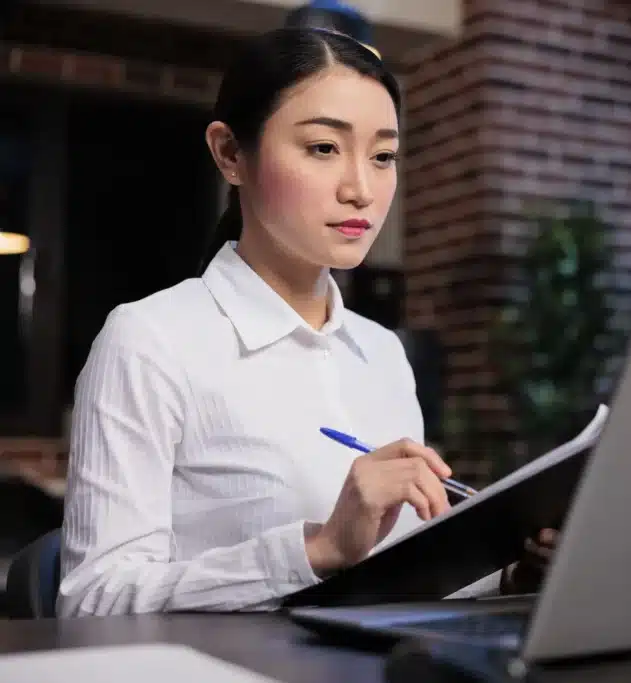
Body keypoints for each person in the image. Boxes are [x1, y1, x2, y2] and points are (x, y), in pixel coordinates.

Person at [57, 26, 555, 617]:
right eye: (323, 148)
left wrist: (515, 575)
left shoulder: (382, 353)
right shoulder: (149, 341)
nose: (361, 190)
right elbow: (92, 601)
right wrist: (317, 549)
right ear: (230, 154)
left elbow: (398, 583)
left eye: (383, 156)